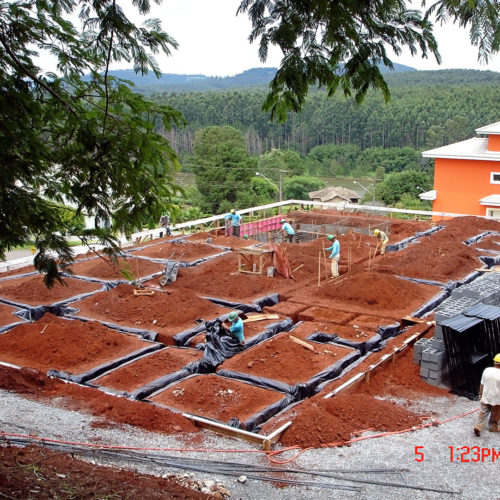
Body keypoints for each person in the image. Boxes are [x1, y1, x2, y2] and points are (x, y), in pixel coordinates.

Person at [474, 353, 500, 436]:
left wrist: (480, 394)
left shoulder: (487, 370)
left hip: (486, 396)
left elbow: (482, 384)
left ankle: (478, 426)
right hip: (497, 400)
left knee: (483, 412)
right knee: (495, 414)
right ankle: (493, 427)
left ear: (494, 362)